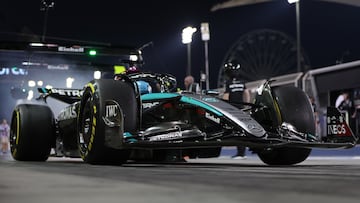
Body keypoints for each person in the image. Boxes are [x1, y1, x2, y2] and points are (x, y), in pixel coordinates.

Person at [222, 61, 250, 159]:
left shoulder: (229, 82)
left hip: (232, 109)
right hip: (242, 108)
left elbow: (226, 96)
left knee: (236, 130)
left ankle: (240, 153)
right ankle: (242, 152)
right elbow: (247, 93)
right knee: (243, 128)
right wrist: (247, 105)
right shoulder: (242, 81)